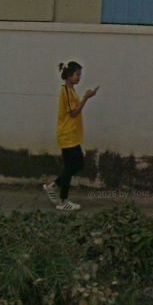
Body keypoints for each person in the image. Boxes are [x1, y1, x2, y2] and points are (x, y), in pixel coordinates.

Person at [43, 61, 98, 213]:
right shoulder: (66, 92)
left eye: (80, 75)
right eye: (77, 75)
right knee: (70, 167)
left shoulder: (71, 91)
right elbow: (74, 113)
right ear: (69, 75)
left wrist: (86, 97)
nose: (79, 77)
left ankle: (53, 186)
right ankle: (63, 201)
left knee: (78, 164)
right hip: (67, 135)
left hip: (73, 135)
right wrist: (86, 98)